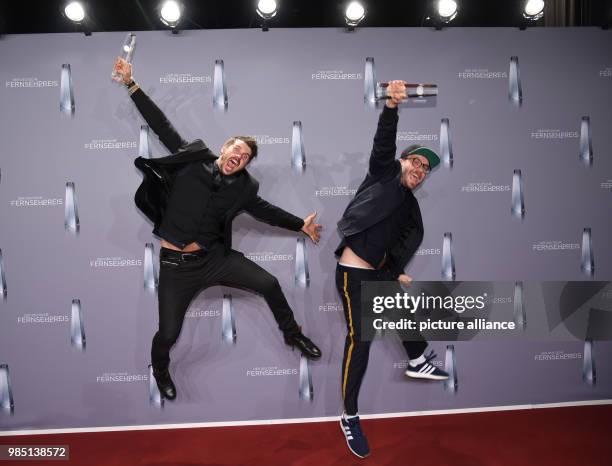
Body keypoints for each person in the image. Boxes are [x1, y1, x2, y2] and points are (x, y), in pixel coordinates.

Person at [113, 58, 322, 401]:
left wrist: (300, 225)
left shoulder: (245, 188)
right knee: (168, 332)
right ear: (224, 148)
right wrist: (131, 84)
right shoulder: (192, 157)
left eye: (245, 157)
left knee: (269, 283)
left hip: (214, 259)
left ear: (246, 165)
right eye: (236, 150)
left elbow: (265, 211)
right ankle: (160, 367)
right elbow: (161, 125)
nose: (238, 157)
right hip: (175, 266)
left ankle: (292, 333)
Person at [334, 80, 448, 458]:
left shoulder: (409, 208)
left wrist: (394, 268)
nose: (420, 169)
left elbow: (405, 241)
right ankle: (349, 416)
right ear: (403, 161)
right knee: (361, 342)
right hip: (353, 274)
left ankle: (417, 358)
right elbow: (383, 144)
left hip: (376, 273)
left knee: (401, 303)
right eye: (416, 161)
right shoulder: (383, 174)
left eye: (426, 169)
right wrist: (392, 107)